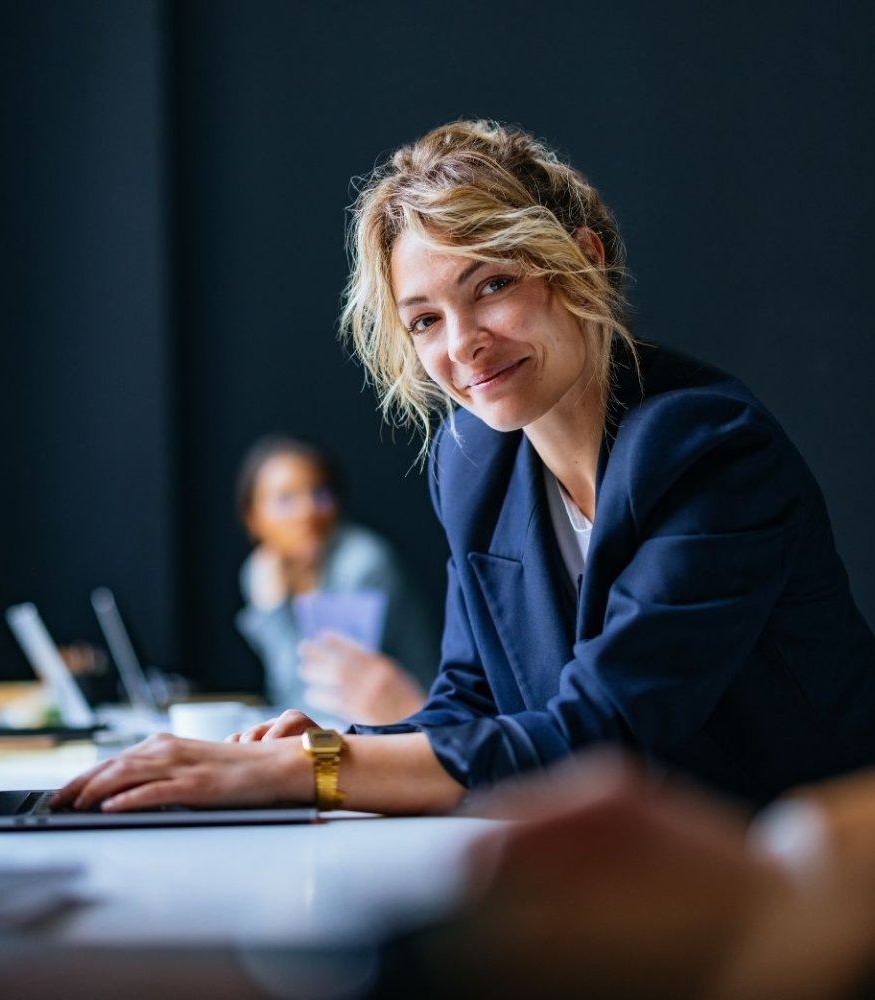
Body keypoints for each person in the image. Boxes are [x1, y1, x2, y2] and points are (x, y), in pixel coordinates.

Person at [52, 119, 875, 817]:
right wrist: (327, 746)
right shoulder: (473, 461)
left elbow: (605, 733)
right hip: (623, 878)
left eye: (493, 285)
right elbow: (467, 704)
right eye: (424, 319)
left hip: (805, 888)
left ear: (581, 261)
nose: (462, 344)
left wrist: (311, 773)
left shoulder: (708, 449)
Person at [233, 434, 438, 723]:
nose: (307, 510)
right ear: (253, 519)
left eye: (319, 493)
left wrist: (274, 612)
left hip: (412, 724)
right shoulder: (263, 570)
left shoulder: (363, 564)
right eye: (286, 499)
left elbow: (325, 698)